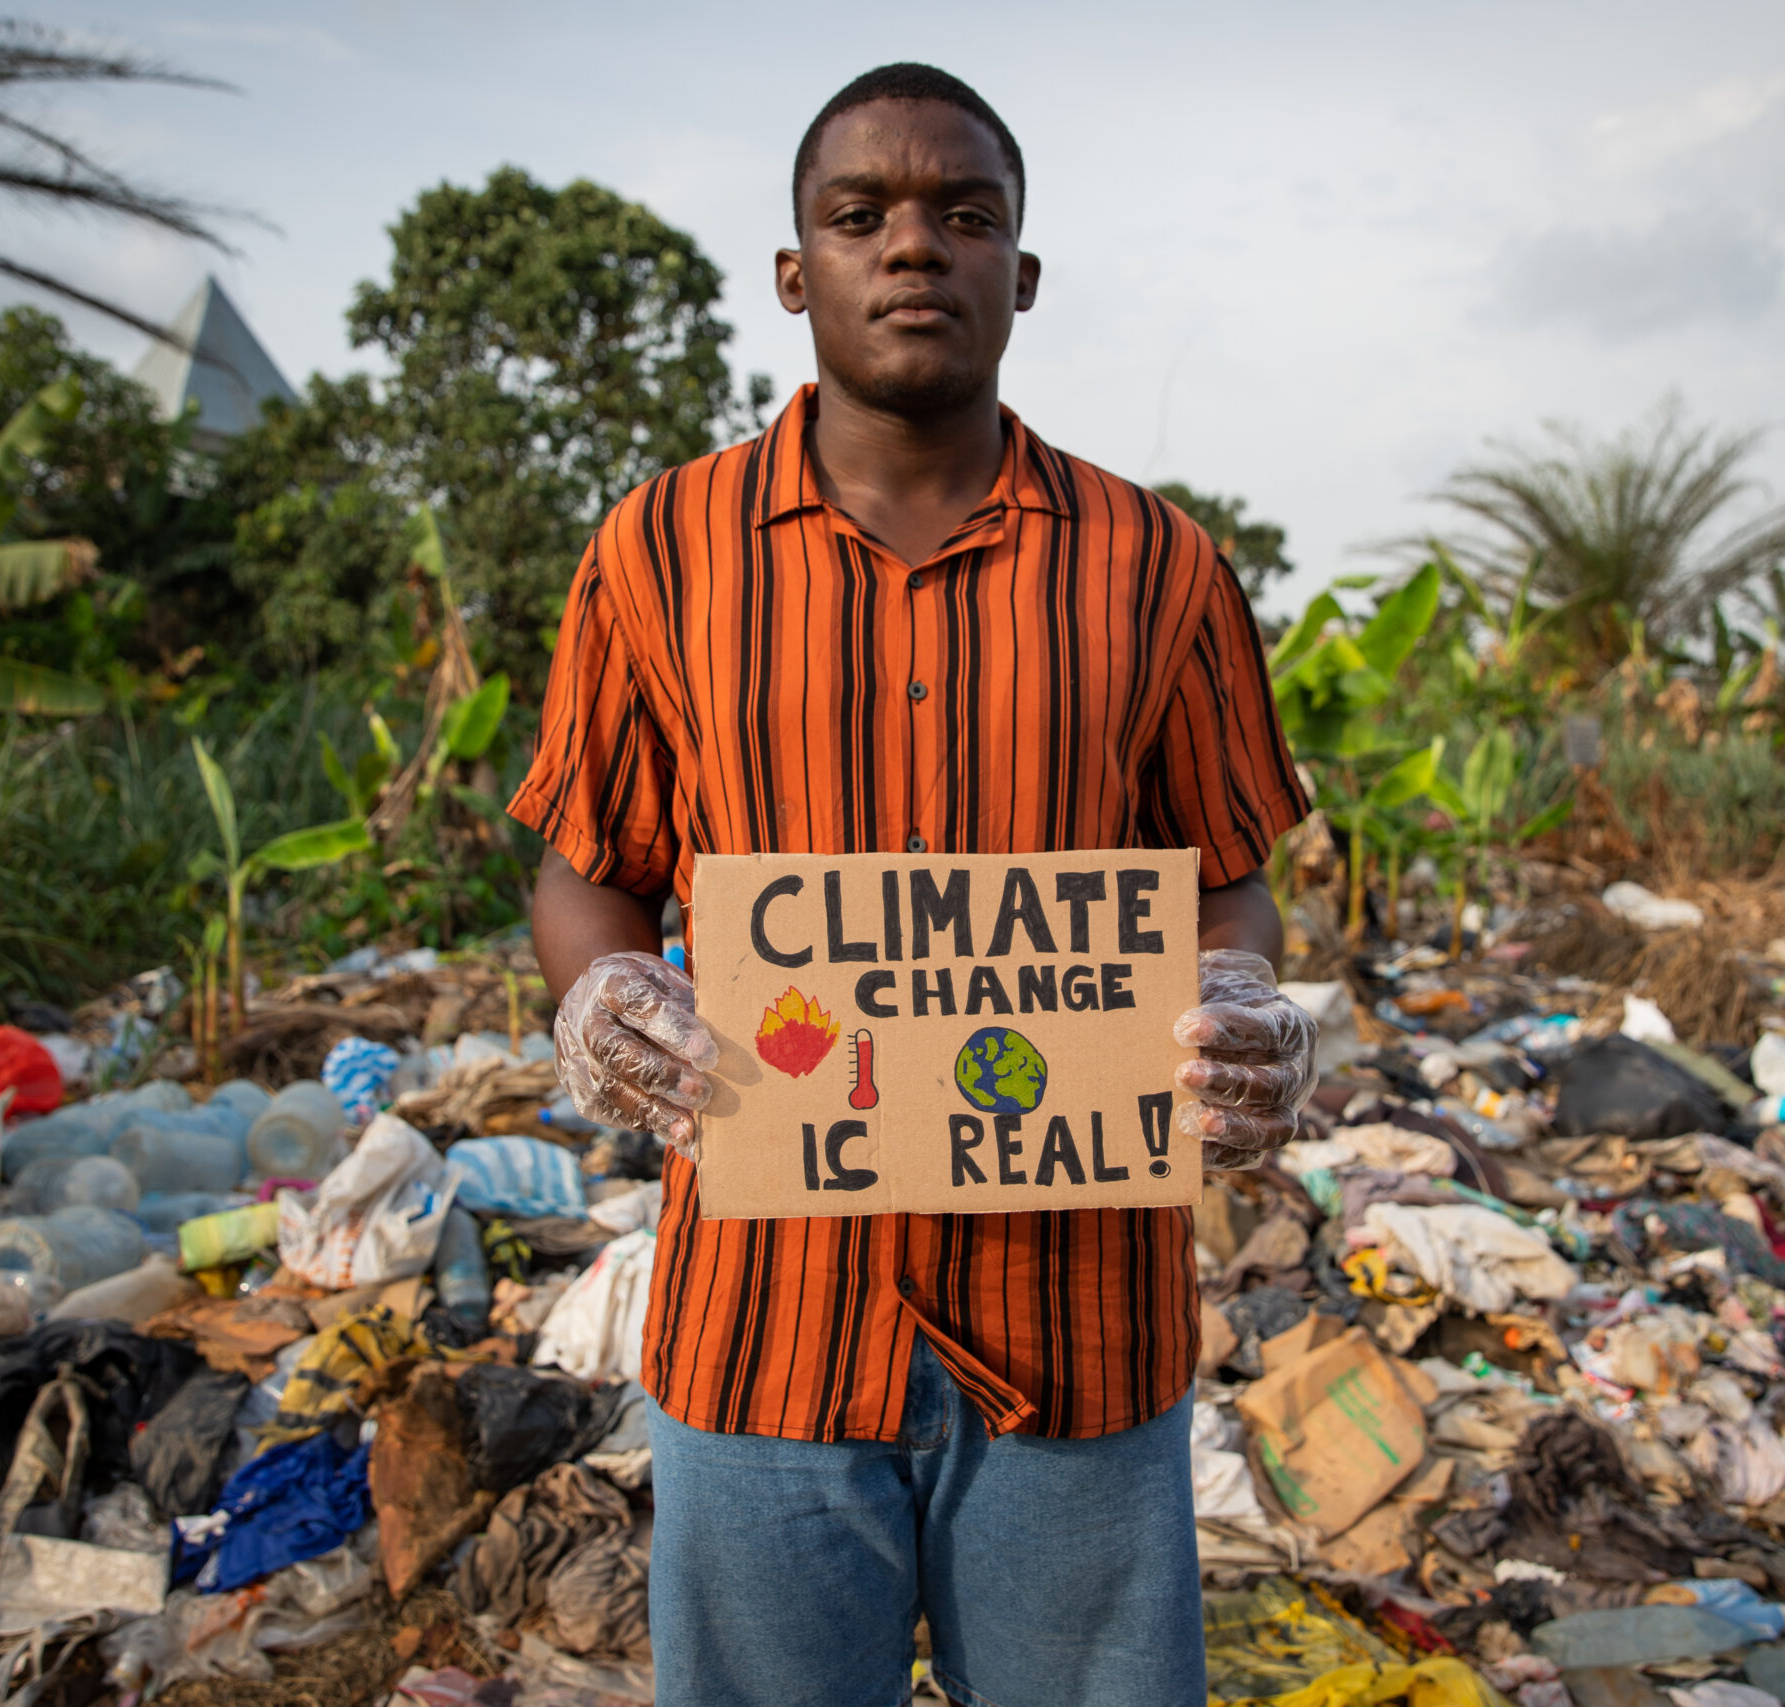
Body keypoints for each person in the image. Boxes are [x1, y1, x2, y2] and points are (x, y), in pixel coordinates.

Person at [511, 62, 1316, 1707]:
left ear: (1019, 275)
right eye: (859, 213)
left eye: (965, 215)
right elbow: (588, 869)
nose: (913, 250)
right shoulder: (657, 553)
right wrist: (601, 993)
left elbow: (1227, 880)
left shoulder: (1156, 564)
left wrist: (1235, 991)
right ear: (796, 272)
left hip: (1079, 1324)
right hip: (767, 1328)